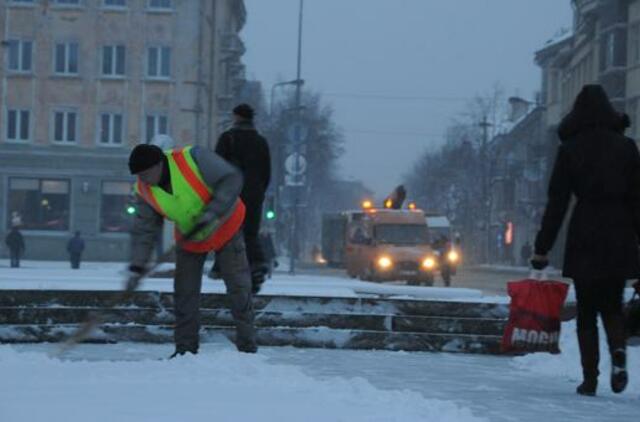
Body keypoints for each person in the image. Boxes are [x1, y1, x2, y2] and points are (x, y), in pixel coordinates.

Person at [531, 85, 638, 396]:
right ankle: (618, 351)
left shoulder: (571, 149)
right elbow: (637, 200)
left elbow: (558, 203)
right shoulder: (627, 147)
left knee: (587, 309)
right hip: (619, 231)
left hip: (586, 230)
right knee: (613, 306)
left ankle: (589, 378)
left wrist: (542, 248)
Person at [128, 143, 257, 357]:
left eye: (146, 173)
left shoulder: (194, 158)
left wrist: (212, 212)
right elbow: (144, 232)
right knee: (184, 293)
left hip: (226, 224)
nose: (143, 179)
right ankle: (185, 351)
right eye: (139, 175)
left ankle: (248, 349)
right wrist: (137, 266)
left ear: (160, 164)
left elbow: (232, 178)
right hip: (190, 236)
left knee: (238, 288)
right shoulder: (143, 191)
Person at [214, 103, 271, 293]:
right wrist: (259, 191)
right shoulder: (261, 141)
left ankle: (221, 267)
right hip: (254, 195)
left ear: (236, 117)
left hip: (231, 193)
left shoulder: (227, 138)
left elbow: (216, 167)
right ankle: (257, 266)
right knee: (250, 233)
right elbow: (267, 173)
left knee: (226, 231)